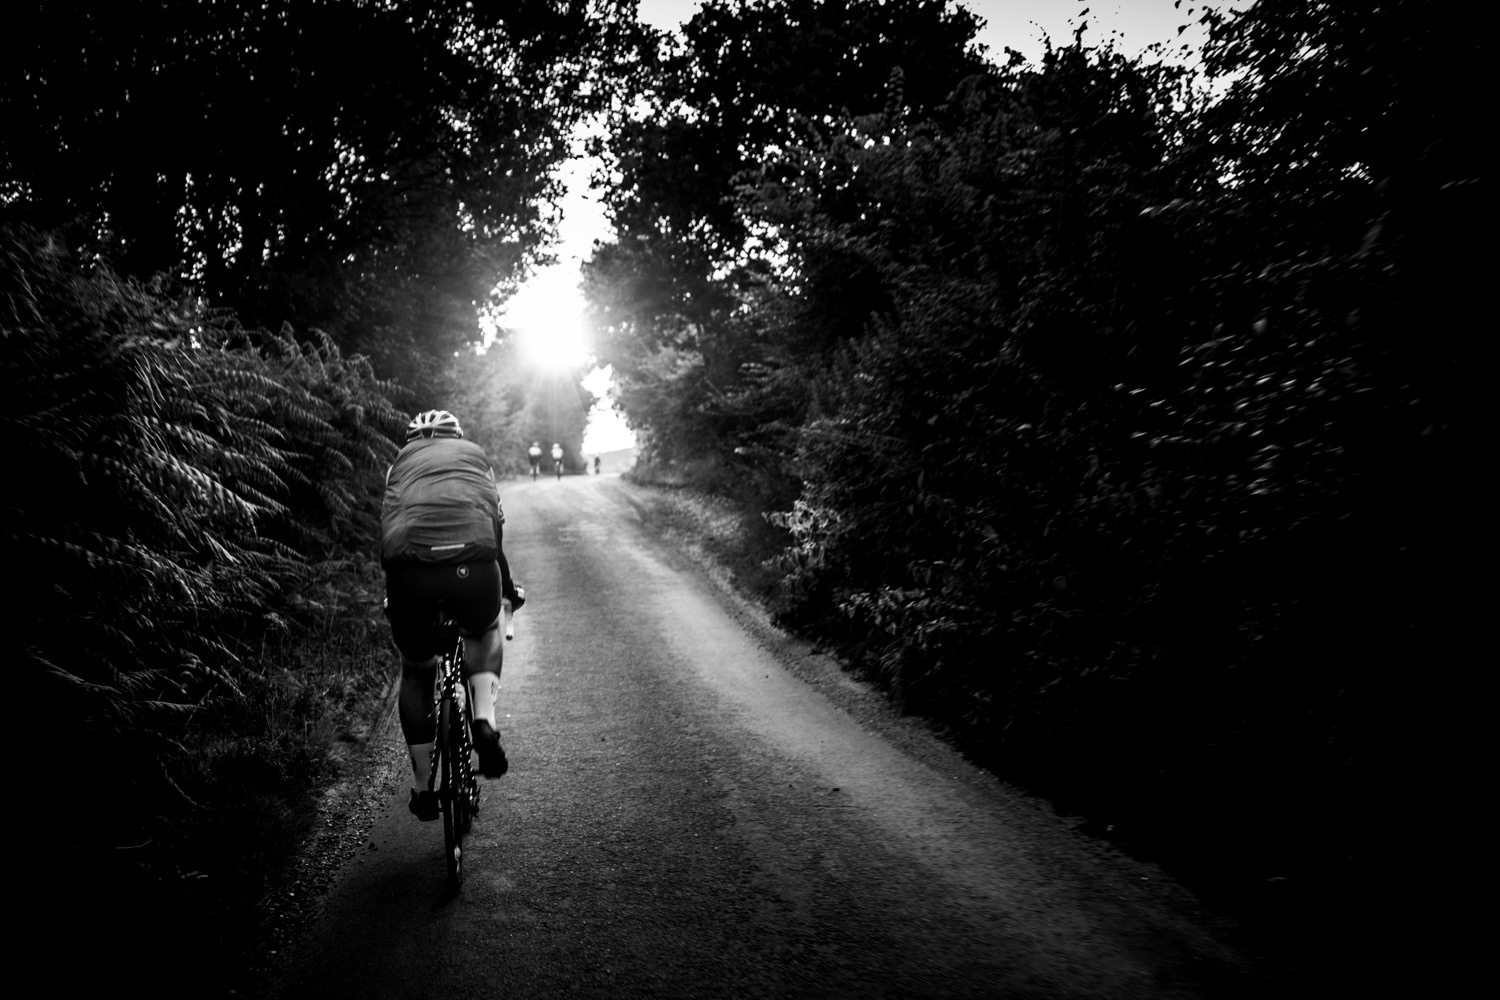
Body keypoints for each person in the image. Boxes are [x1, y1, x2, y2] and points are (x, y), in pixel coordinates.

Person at [381, 410, 524, 821]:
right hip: (473, 568)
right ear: (456, 435)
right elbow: (494, 531)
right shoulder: (475, 457)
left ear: (411, 439)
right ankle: (484, 720)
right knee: (484, 629)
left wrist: (395, 591)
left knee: (416, 671)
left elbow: (389, 534)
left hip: (409, 575)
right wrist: (507, 589)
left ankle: (423, 788)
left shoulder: (398, 467)